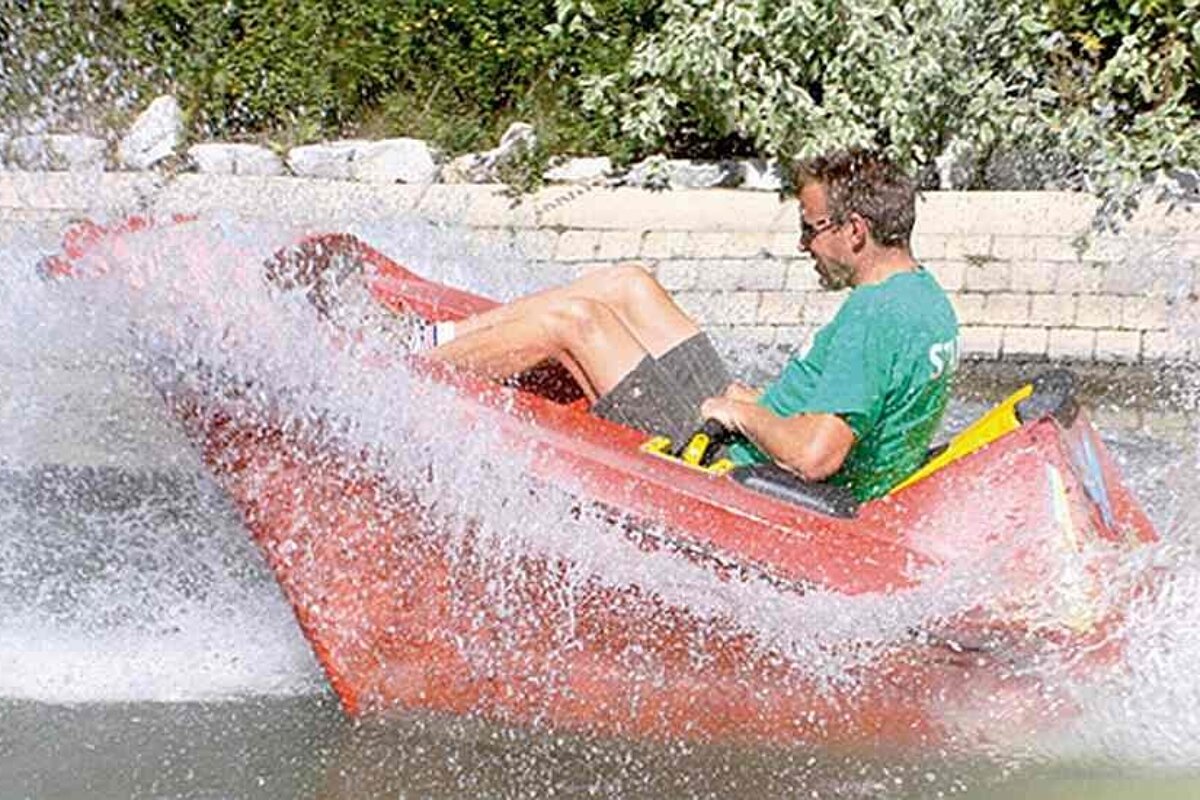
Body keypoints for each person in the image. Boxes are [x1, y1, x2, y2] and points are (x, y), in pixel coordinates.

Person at [427, 148, 959, 501]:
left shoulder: (873, 315)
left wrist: (738, 414)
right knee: (629, 285)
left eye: (811, 229)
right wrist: (758, 404)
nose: (803, 246)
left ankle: (407, 369)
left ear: (856, 231)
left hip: (728, 461)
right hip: (746, 426)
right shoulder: (924, 299)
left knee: (574, 322)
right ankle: (443, 338)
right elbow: (860, 409)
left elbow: (816, 455)